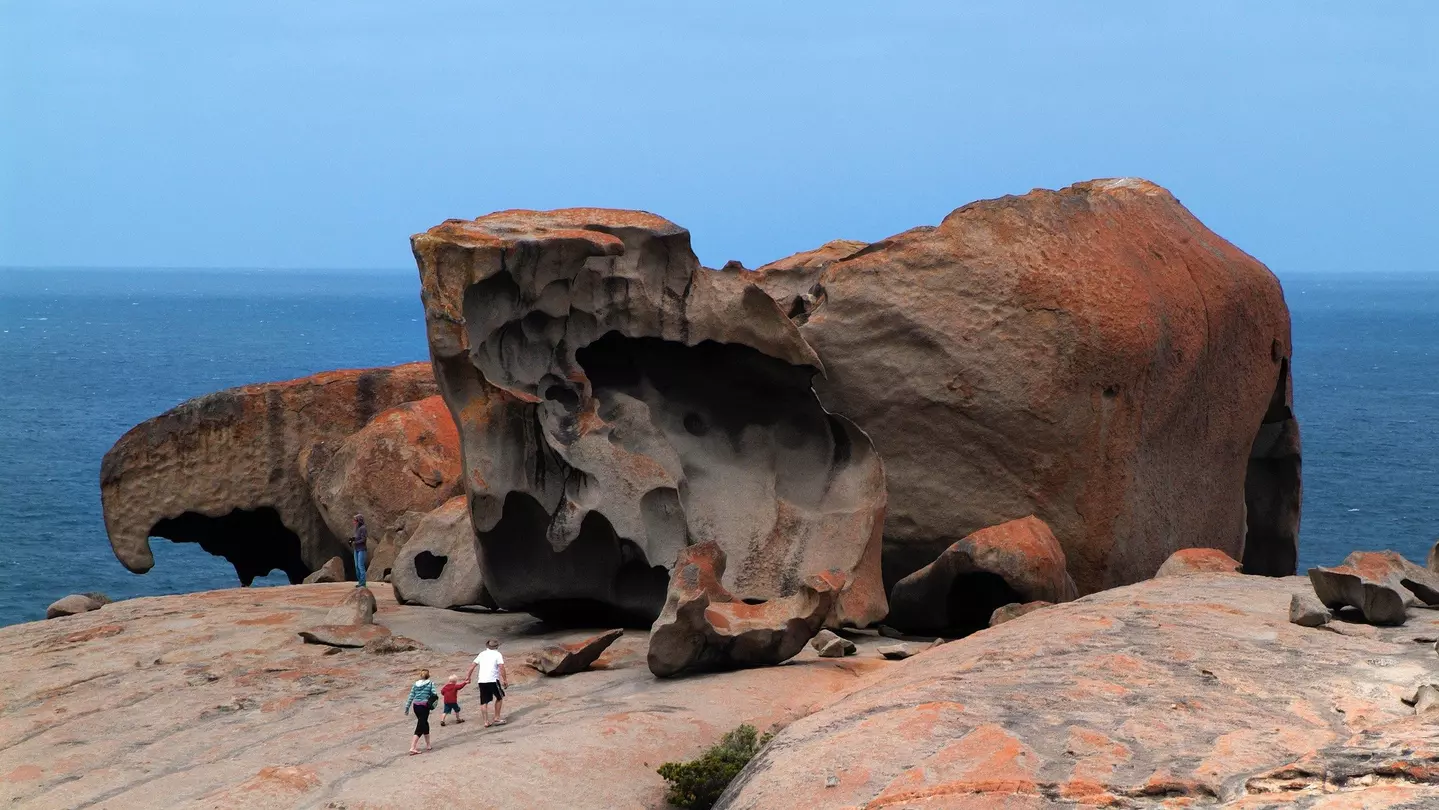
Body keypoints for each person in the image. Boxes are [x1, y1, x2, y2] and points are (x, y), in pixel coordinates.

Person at [464, 639, 509, 727]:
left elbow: (472, 665)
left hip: (482, 680)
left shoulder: (482, 654)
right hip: (493, 679)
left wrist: (468, 676)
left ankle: (486, 722)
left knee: (484, 701)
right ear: (497, 647)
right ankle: (497, 717)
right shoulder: (497, 654)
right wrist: (505, 679)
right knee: (499, 697)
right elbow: (501, 667)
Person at [404, 669, 439, 755]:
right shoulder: (430, 684)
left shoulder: (415, 684)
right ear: (428, 676)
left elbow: (411, 696)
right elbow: (434, 694)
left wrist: (407, 707)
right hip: (424, 707)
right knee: (421, 725)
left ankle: (428, 744)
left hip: (416, 706)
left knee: (424, 724)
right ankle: (412, 747)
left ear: (420, 675)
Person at [351, 515, 368, 587]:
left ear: (359, 521)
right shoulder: (357, 528)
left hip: (361, 549)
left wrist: (356, 542)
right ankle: (360, 581)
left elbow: (364, 539)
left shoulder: (363, 528)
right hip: (356, 549)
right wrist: (352, 539)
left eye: (355, 521)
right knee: (356, 566)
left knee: (360, 566)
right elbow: (357, 537)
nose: (354, 522)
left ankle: (363, 583)